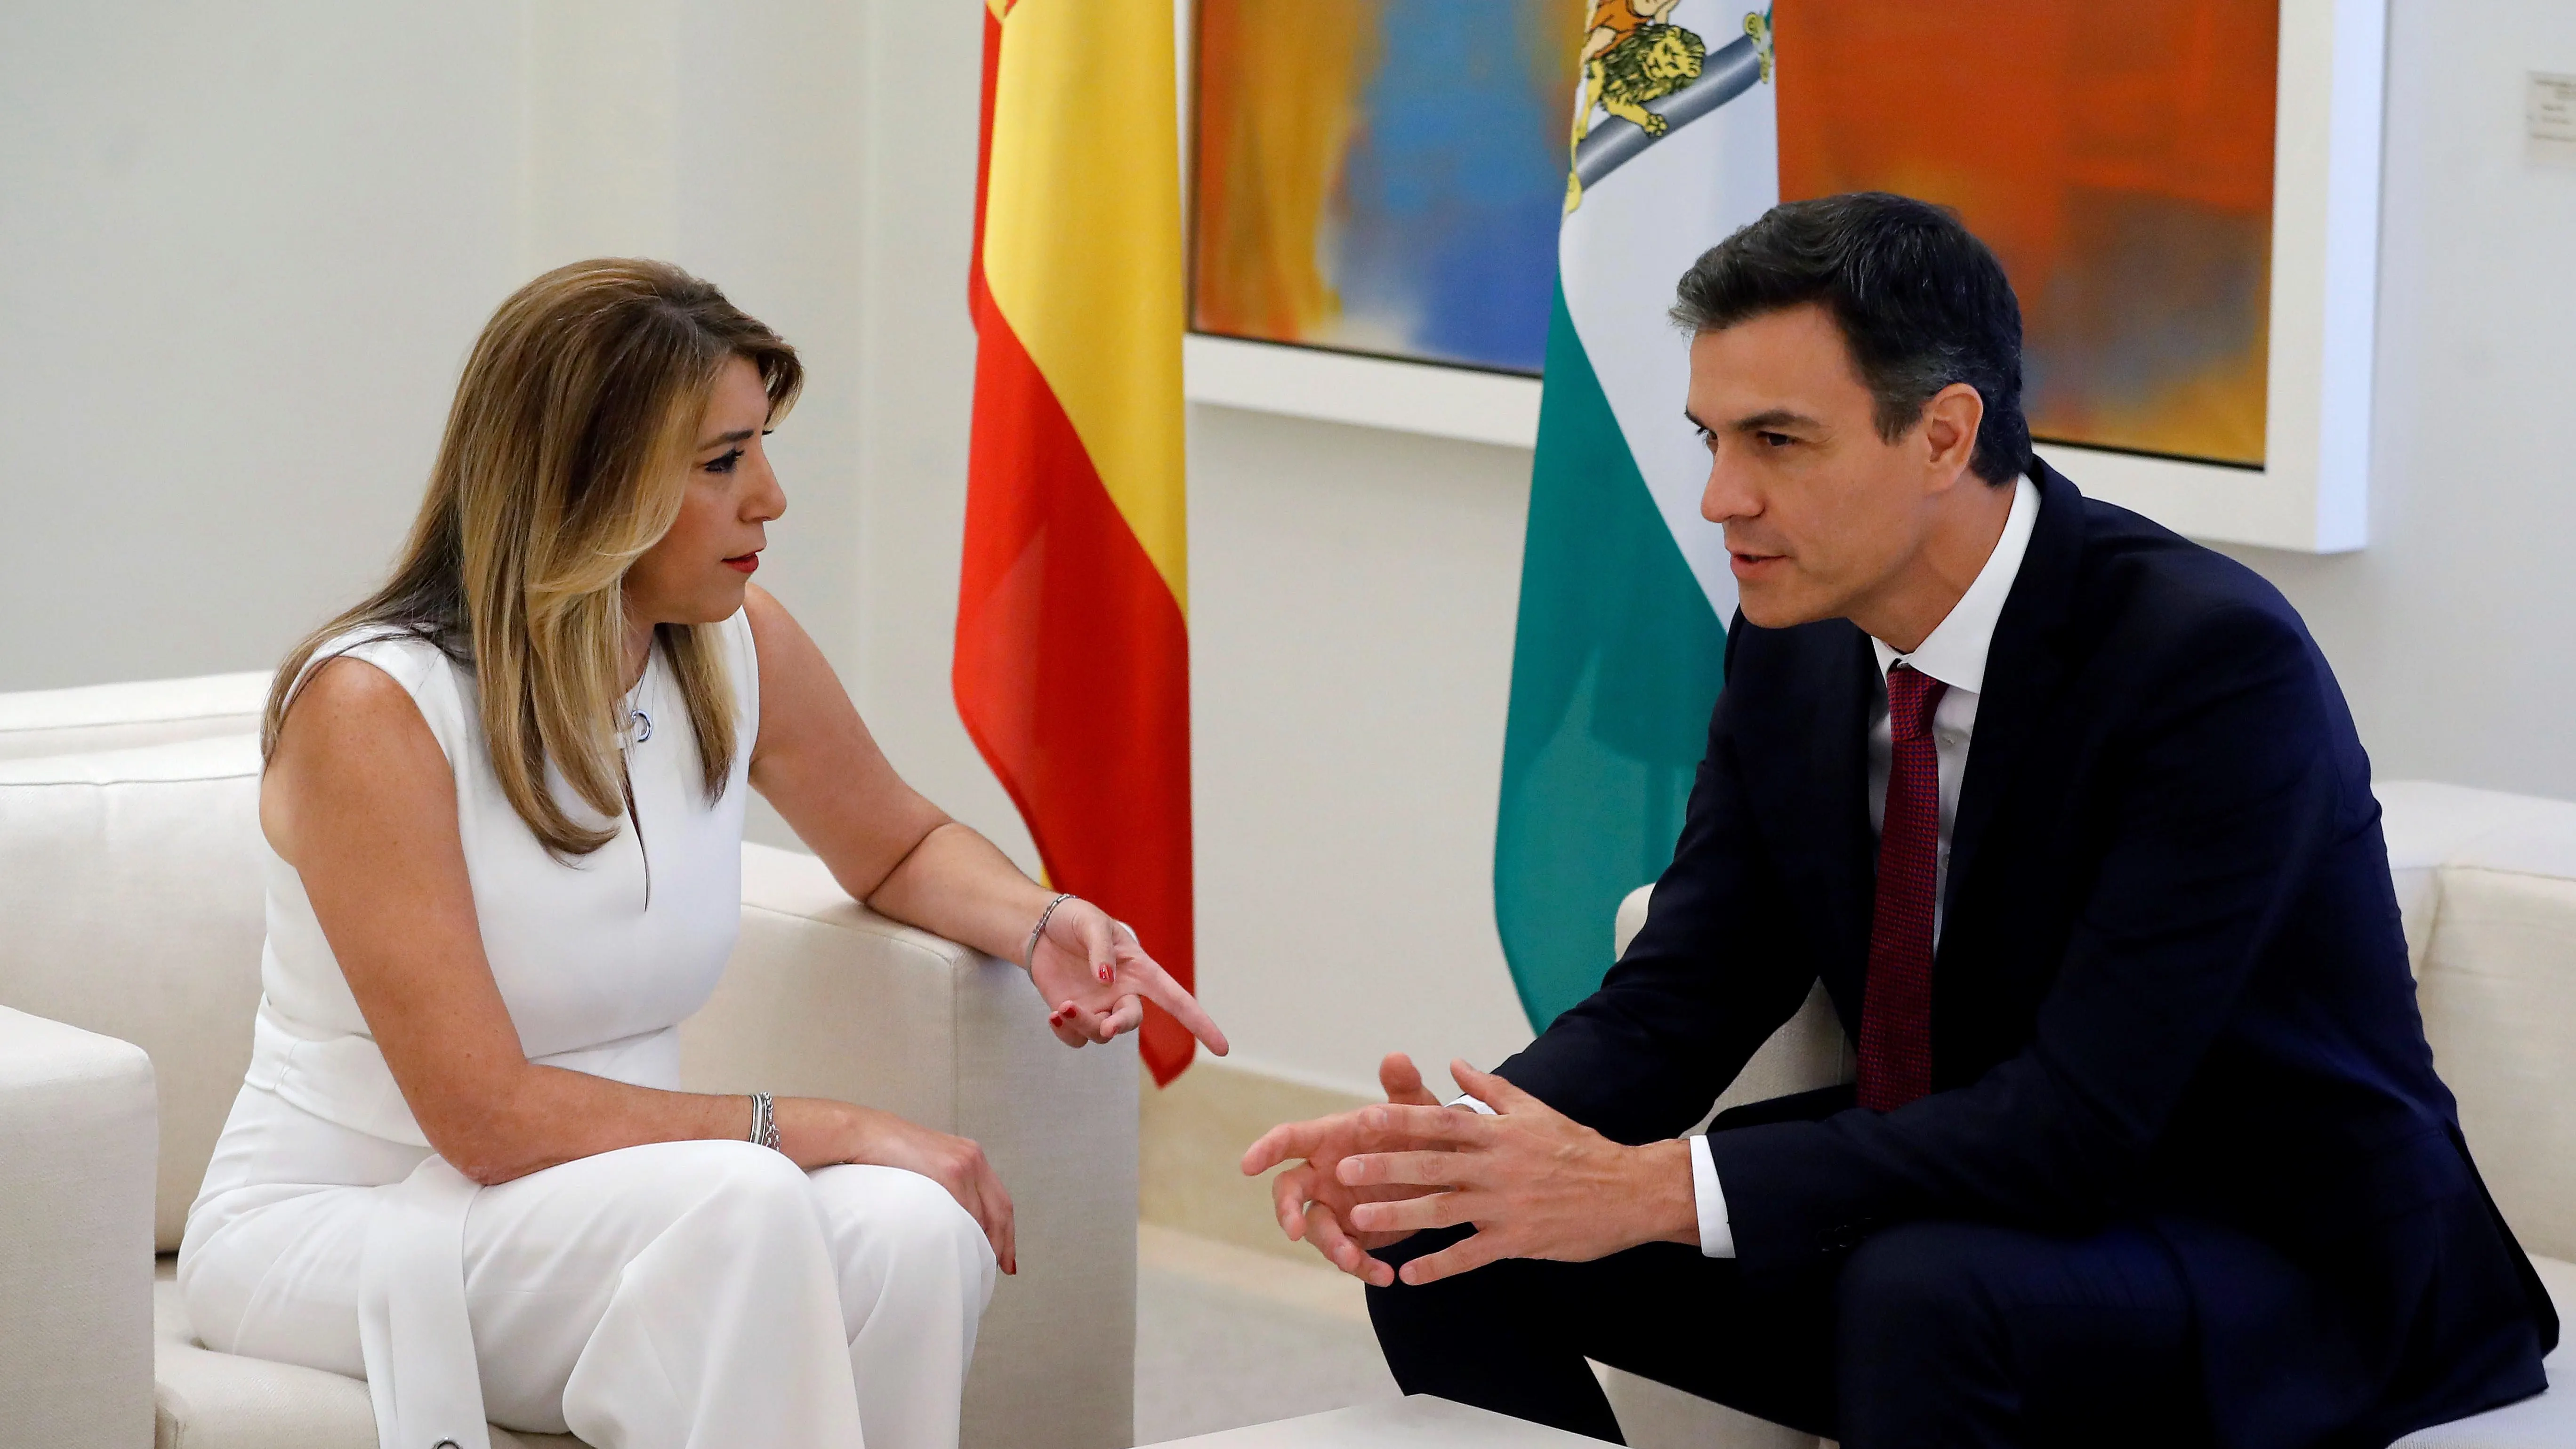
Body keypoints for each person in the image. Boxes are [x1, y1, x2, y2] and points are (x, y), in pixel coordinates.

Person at [1244, 193, 2556, 1448]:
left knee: (1921, 1292)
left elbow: (2077, 1123)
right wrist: (1458, 1147)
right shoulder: (1797, 644)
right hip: (1967, 1203)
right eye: (1712, 440)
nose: (1720, 500)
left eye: (1778, 441)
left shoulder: (2209, 664)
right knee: (1449, 1228)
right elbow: (1680, 996)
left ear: (1942, 434)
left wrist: (1645, 1187)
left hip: (2273, 1242)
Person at [176, 258, 1228, 1449]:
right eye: (723, 462)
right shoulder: (376, 711)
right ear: (589, 483)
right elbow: (487, 1121)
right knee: (745, 1199)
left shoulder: (727, 646)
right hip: (344, 1219)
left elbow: (896, 843)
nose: (770, 498)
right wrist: (838, 1125)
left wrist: (1041, 925)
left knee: (914, 1232)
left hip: (621, 1206)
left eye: (761, 449)